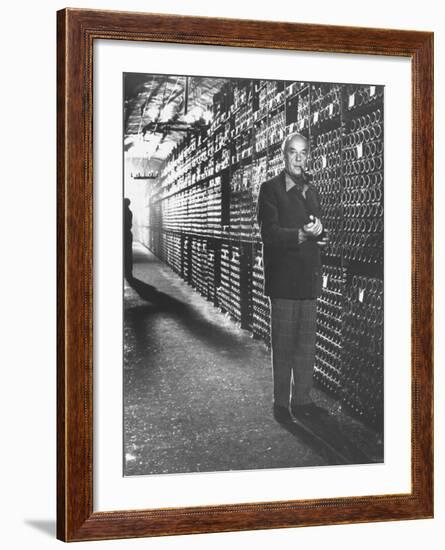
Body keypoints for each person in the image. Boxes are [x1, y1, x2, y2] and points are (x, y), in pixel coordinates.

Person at [256, 132, 329, 425]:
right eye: (292, 152)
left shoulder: (311, 188)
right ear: (283, 155)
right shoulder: (270, 189)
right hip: (284, 280)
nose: (298, 159)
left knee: (306, 346)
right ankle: (280, 404)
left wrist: (321, 232)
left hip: (308, 278)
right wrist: (301, 235)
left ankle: (302, 401)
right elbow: (268, 233)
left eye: (303, 152)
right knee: (284, 344)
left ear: (308, 155)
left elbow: (318, 227)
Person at [124, 198, 134, 281]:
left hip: (125, 234)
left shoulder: (124, 213)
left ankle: (125, 271)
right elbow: (130, 225)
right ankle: (128, 272)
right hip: (128, 234)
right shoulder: (129, 212)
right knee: (128, 253)